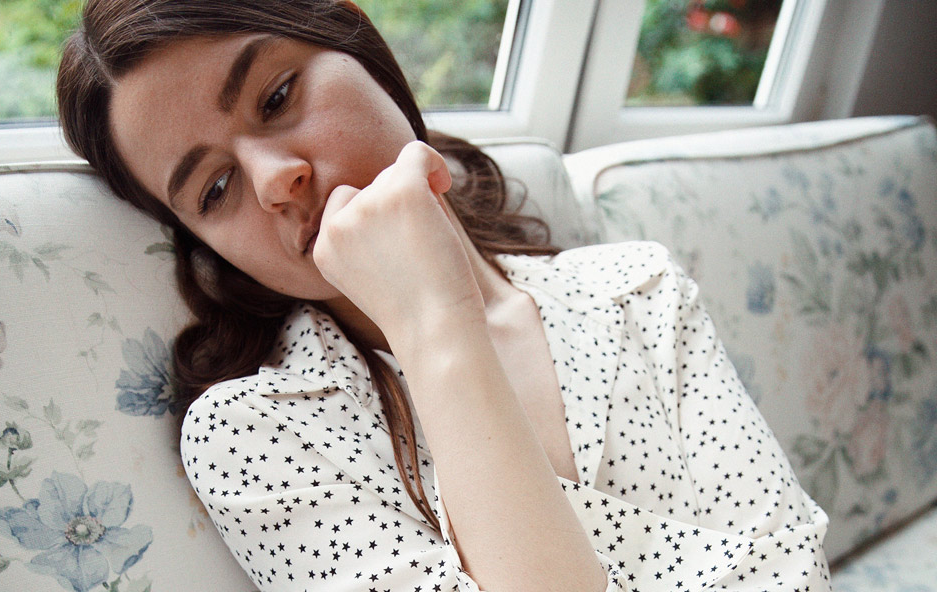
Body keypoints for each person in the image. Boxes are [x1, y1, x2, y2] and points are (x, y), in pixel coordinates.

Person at [56, 1, 832, 590]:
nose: (274, 179)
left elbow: (797, 573)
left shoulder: (637, 291)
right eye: (215, 189)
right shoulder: (256, 435)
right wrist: (432, 322)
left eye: (277, 96)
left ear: (361, 48)